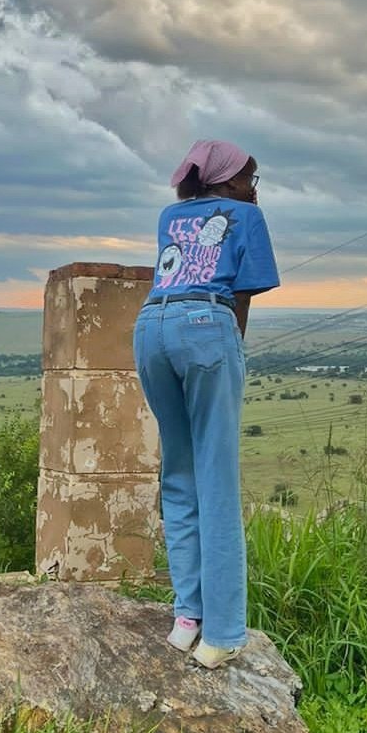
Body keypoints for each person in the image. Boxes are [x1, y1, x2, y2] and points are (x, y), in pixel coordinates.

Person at [132, 138, 280, 668]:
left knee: (179, 474)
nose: (254, 190)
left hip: (151, 327)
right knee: (217, 479)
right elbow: (240, 296)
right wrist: (229, 353)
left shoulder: (171, 214)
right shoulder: (244, 214)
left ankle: (186, 619)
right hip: (205, 326)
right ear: (229, 180)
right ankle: (222, 634)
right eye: (251, 179)